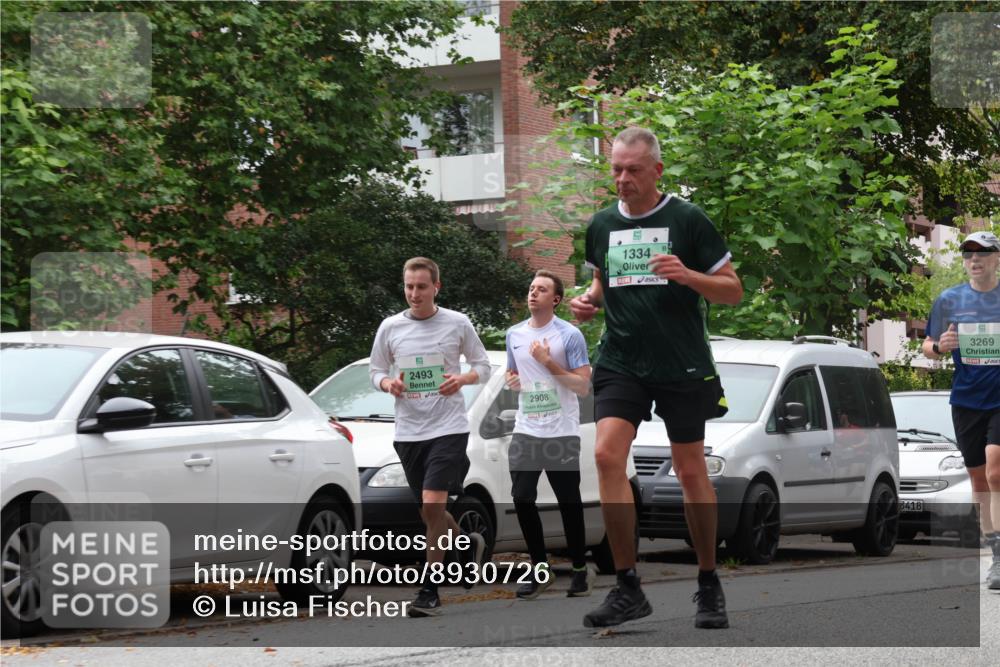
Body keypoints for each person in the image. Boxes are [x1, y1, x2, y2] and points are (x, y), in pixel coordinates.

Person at [569, 127, 743, 629]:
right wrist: (588, 301)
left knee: (689, 471)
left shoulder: (686, 219)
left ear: (657, 171)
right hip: (622, 359)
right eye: (616, 169)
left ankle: (708, 580)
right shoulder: (602, 224)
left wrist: (688, 275)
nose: (622, 179)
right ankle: (627, 585)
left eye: (633, 170)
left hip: (680, 362)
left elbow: (732, 290)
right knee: (606, 455)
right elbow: (601, 279)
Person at [369, 256, 490, 616]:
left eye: (421, 286)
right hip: (409, 432)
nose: (414, 293)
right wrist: (388, 383)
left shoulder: (457, 323)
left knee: (434, 505)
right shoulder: (390, 327)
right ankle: (465, 546)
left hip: (448, 428)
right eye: (409, 286)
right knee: (429, 513)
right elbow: (375, 370)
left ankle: (429, 588)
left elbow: (482, 366)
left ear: (436, 287)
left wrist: (462, 379)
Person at [504, 269, 595, 600]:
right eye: (531, 288)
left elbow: (582, 386)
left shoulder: (569, 335)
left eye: (541, 289)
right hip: (527, 428)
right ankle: (540, 568)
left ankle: (580, 570)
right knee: (521, 497)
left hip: (561, 431)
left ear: (555, 299)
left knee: (568, 501)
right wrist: (512, 380)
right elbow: (513, 373)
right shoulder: (514, 334)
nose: (533, 293)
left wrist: (548, 363)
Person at [922, 230, 1000, 590]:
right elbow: (927, 345)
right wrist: (941, 346)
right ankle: (994, 549)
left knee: (996, 469)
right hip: (967, 400)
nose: (974, 259)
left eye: (982, 253)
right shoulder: (949, 300)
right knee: (979, 480)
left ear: (996, 259)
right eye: (968, 254)